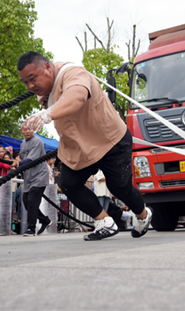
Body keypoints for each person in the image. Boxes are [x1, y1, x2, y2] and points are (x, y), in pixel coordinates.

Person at [17, 51, 152, 241]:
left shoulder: (72, 73)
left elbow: (77, 96)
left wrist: (46, 114)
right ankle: (104, 221)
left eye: (33, 78)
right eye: (25, 82)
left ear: (47, 67)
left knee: (120, 188)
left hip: (110, 140)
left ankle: (143, 215)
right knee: (69, 183)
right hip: (80, 147)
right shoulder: (44, 90)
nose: (30, 86)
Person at [20, 125, 52, 236]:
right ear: (22, 131)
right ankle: (45, 220)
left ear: (33, 130)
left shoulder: (37, 141)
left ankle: (31, 228)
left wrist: (17, 164)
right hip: (29, 178)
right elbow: (22, 159)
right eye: (25, 129)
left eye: (30, 129)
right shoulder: (22, 144)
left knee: (32, 202)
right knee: (26, 202)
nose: (28, 131)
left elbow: (29, 159)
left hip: (39, 176)